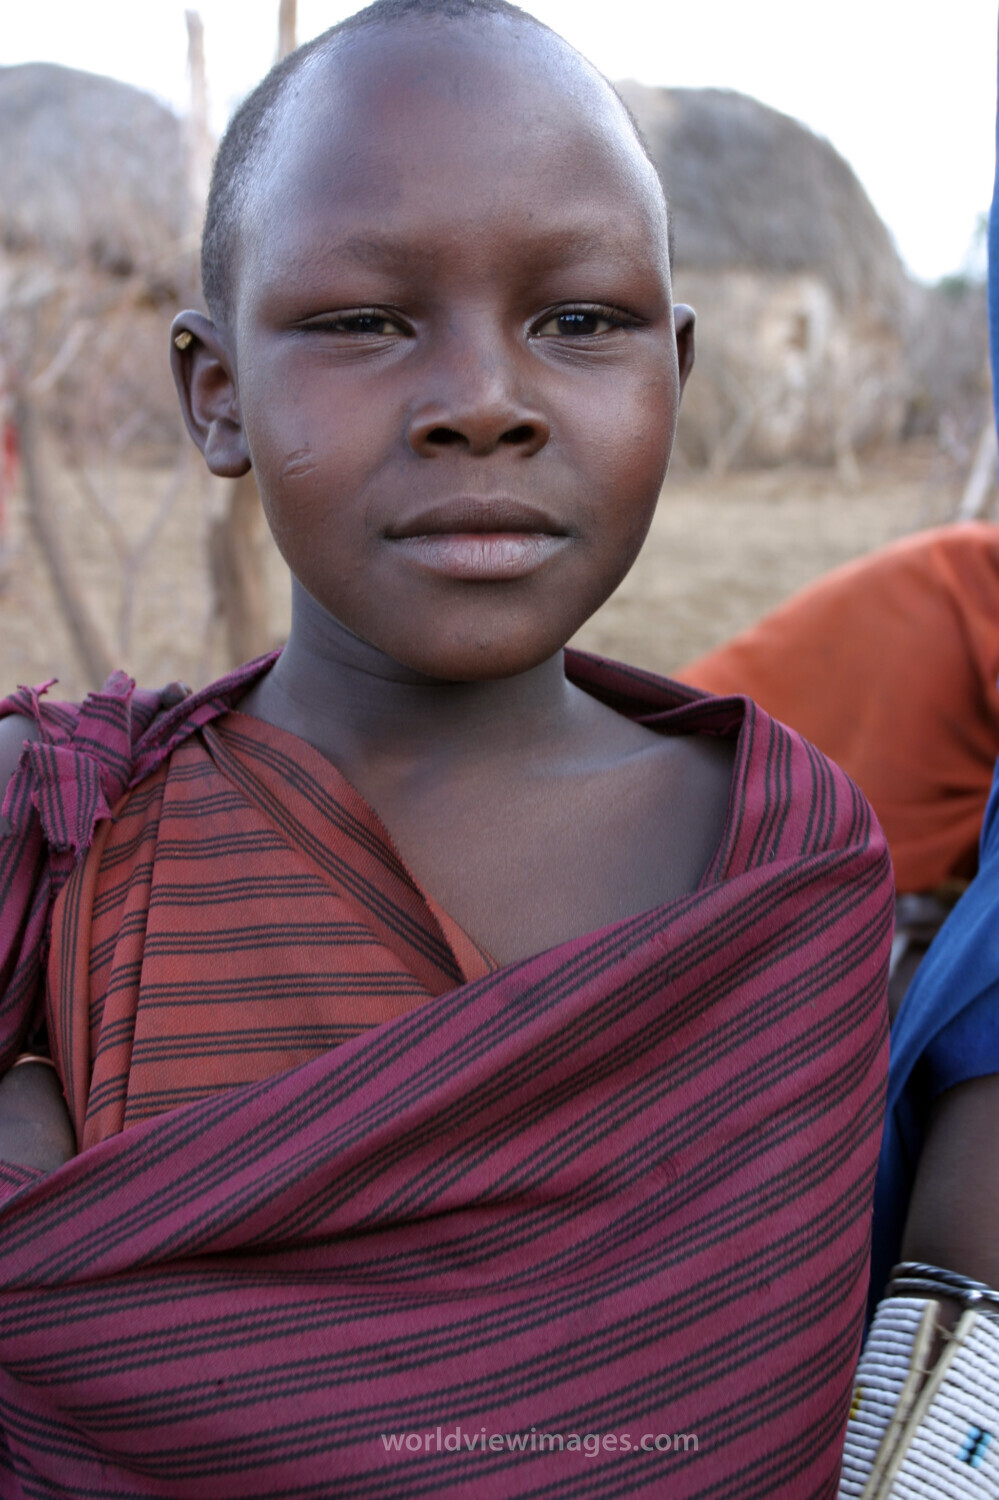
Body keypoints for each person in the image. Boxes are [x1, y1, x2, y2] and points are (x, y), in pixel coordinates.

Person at [0, 3, 892, 1494]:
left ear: (675, 370)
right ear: (216, 393)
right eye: (363, 320)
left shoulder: (784, 870)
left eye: (582, 322)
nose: (485, 403)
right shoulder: (63, 835)